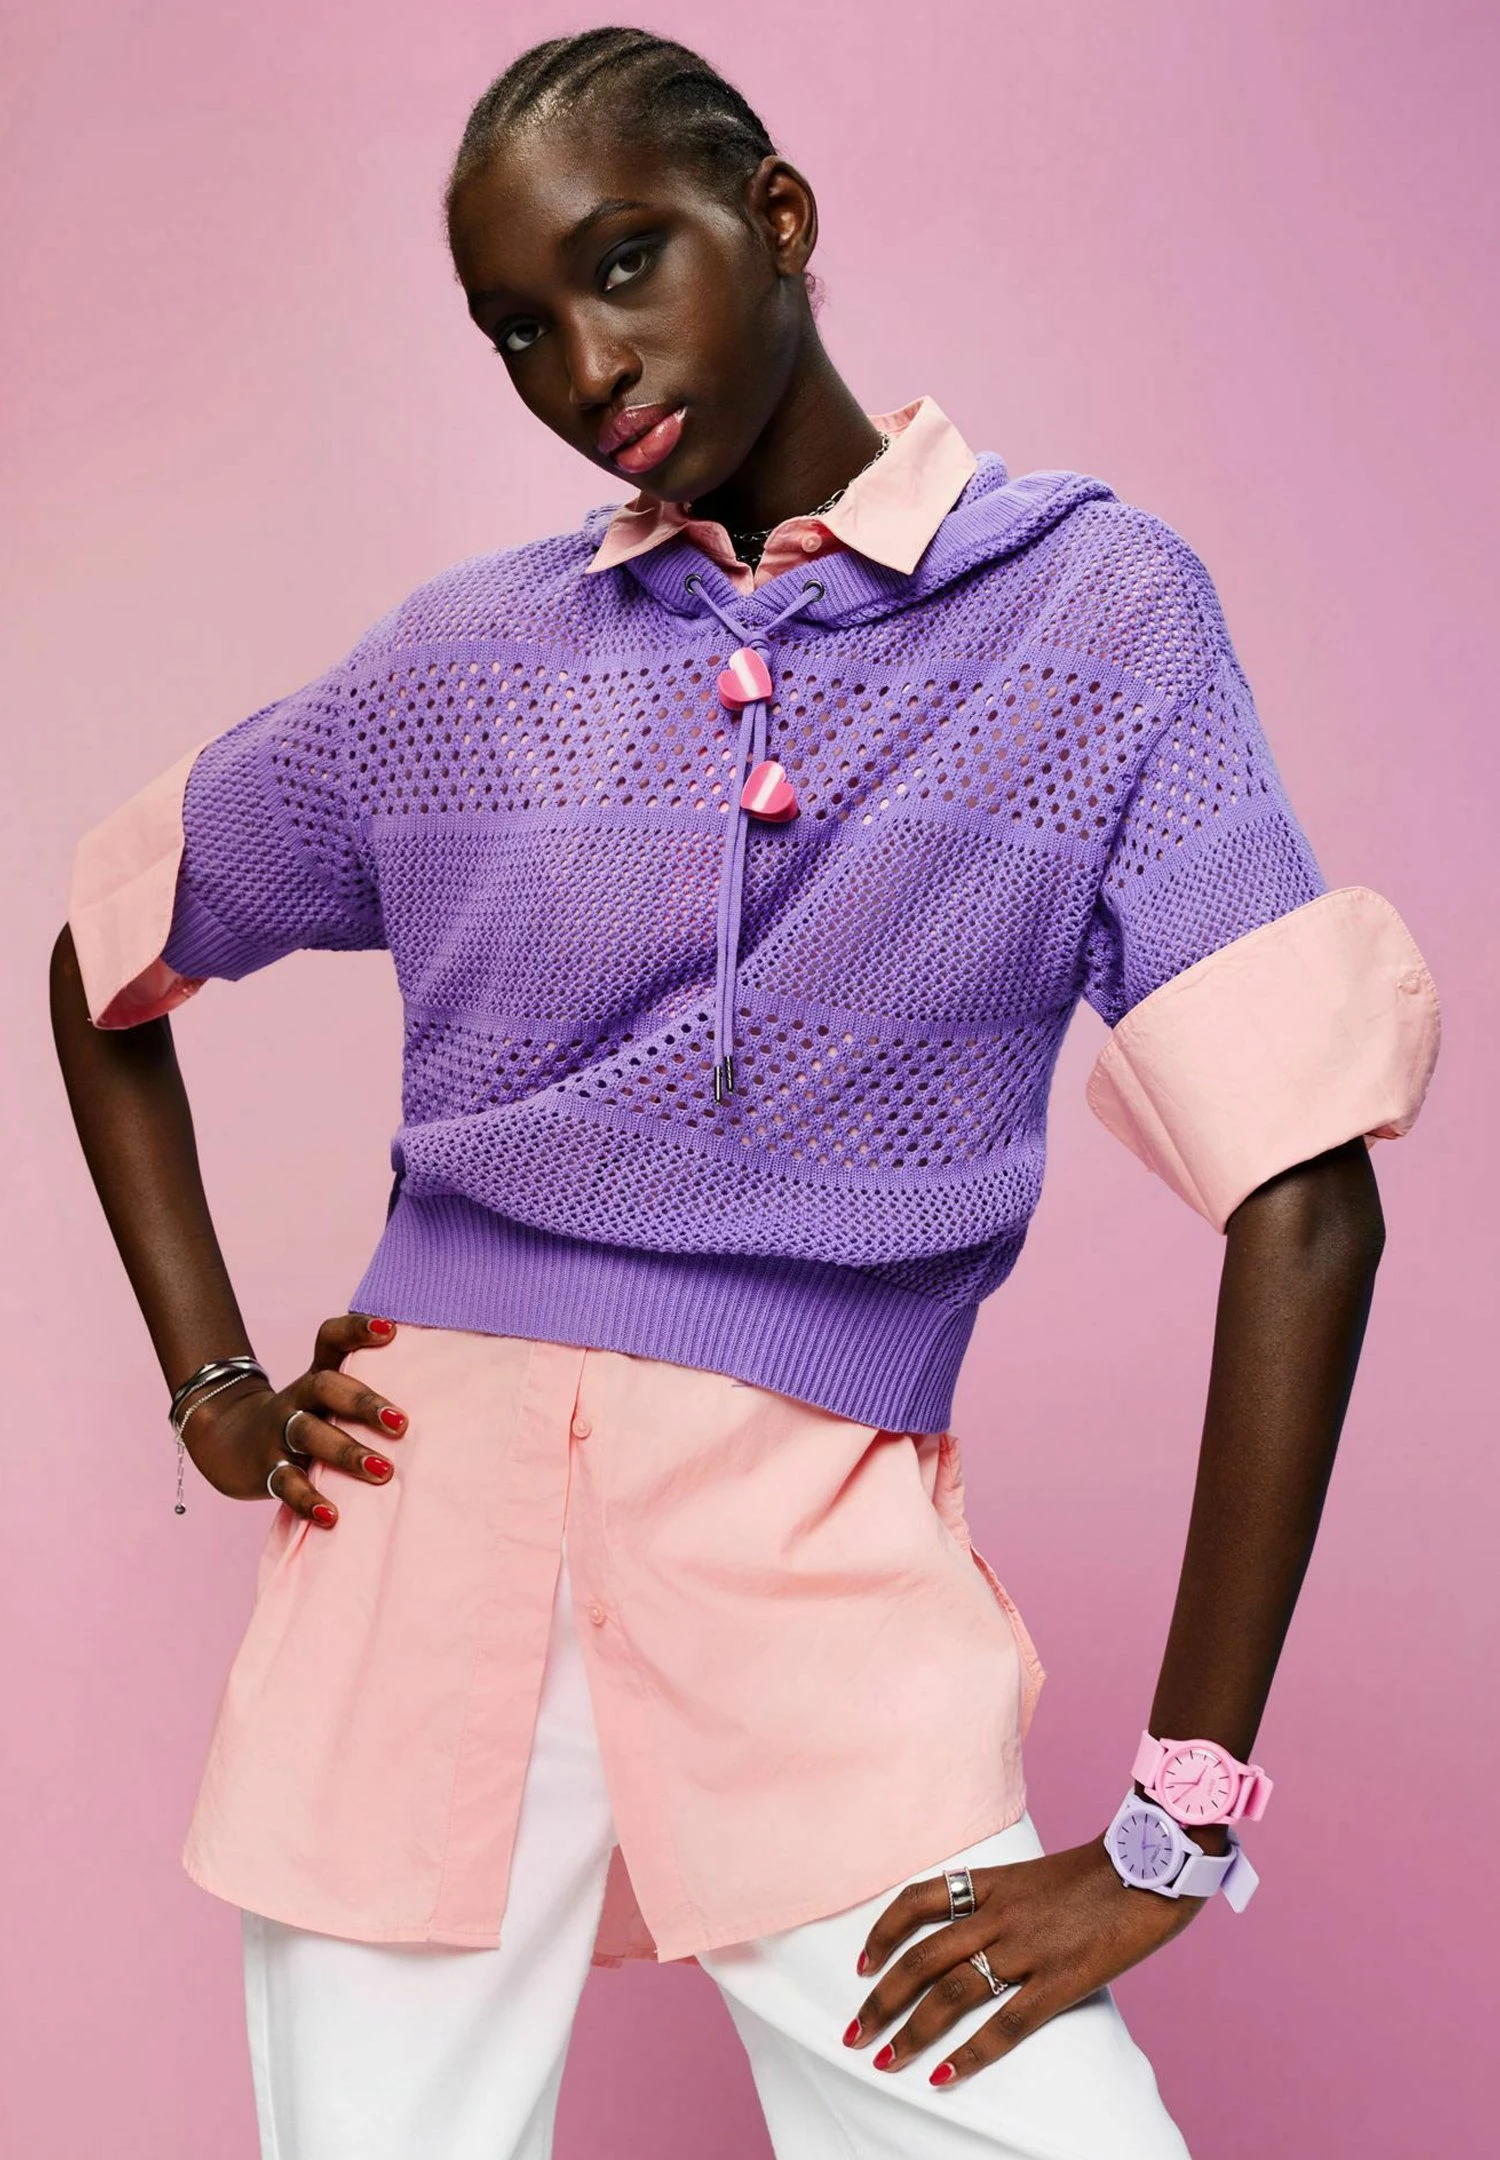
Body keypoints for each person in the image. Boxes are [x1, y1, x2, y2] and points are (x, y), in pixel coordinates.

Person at [51, 26, 1440, 2160]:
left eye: (625, 263)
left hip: (813, 1583)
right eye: (519, 326)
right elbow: (106, 957)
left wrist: (1181, 1816)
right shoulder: (467, 662)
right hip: (412, 1568)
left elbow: (1308, 1198)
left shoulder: (1091, 616)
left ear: (775, 217)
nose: (585, 365)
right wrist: (215, 1390)